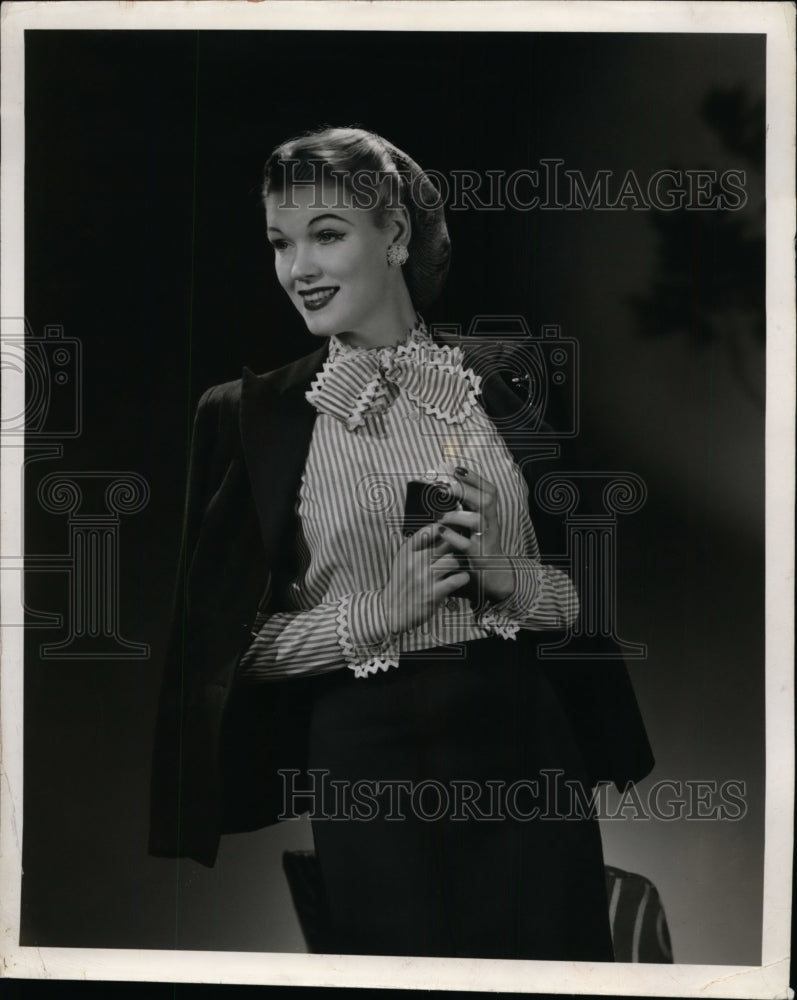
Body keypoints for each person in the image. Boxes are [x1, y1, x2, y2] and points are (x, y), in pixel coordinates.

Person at [149, 126, 654, 960]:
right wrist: (376, 615)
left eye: (326, 234)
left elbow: (586, 603)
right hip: (367, 768)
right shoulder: (246, 417)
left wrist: (506, 577)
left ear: (394, 234)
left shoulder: (512, 377)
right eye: (281, 242)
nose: (297, 269)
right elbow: (227, 652)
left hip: (527, 750)